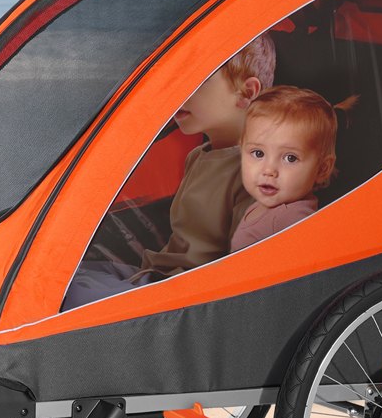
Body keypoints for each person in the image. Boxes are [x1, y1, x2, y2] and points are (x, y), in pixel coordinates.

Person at [60, 34, 274, 309]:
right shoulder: (198, 156)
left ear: (246, 93)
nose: (178, 91)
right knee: (61, 280)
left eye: (197, 80)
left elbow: (242, 272)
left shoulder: (256, 174)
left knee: (74, 298)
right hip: (156, 273)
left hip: (182, 294)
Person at [228, 85, 347, 252]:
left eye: (290, 158)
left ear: (322, 169)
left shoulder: (292, 219)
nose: (269, 170)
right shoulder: (267, 206)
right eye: (258, 153)